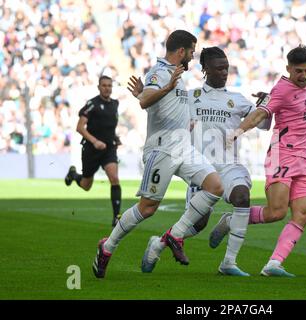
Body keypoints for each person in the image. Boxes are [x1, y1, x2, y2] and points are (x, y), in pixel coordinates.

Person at [92, 30, 224, 279]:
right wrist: (164, 87)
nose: (193, 56)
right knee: (148, 208)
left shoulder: (176, 76)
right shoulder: (160, 72)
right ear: (182, 51)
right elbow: (145, 102)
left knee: (215, 186)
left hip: (183, 146)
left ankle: (175, 235)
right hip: (162, 148)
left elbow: (150, 97)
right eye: (192, 51)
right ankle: (107, 247)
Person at [220, 40, 306, 277]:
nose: (304, 76)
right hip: (281, 155)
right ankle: (232, 219)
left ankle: (273, 264)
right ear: (288, 69)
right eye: (298, 71)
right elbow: (260, 114)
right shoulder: (281, 90)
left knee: (303, 211)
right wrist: (237, 132)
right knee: (276, 212)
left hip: (302, 159)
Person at [132, 46, 271, 276]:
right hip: (201, 169)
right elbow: (161, 109)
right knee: (197, 225)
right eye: (219, 68)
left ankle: (229, 263)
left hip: (229, 165)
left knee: (242, 197)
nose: (224, 72)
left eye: (226, 68)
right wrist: (141, 95)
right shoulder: (189, 97)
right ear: (205, 69)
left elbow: (264, 125)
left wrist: (266, 105)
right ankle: (158, 244)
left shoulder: (237, 99)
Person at [64, 75, 122, 227]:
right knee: (86, 185)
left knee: (114, 178)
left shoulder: (115, 104)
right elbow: (79, 127)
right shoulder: (92, 104)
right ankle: (74, 174)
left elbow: (108, 127)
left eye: (109, 85)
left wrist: (115, 138)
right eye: (104, 85)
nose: (107, 88)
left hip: (109, 148)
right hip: (91, 149)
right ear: (98, 87)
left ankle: (116, 217)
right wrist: (94, 141)